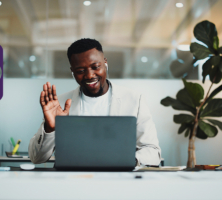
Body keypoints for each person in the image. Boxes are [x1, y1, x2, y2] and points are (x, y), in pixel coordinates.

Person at [28, 38, 161, 166]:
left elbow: (153, 151)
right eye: (80, 71)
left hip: (117, 181)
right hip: (71, 182)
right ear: (72, 72)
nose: (90, 75)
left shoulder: (134, 100)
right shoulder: (60, 103)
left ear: (105, 63)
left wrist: (127, 161)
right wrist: (50, 128)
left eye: (96, 66)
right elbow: (36, 158)